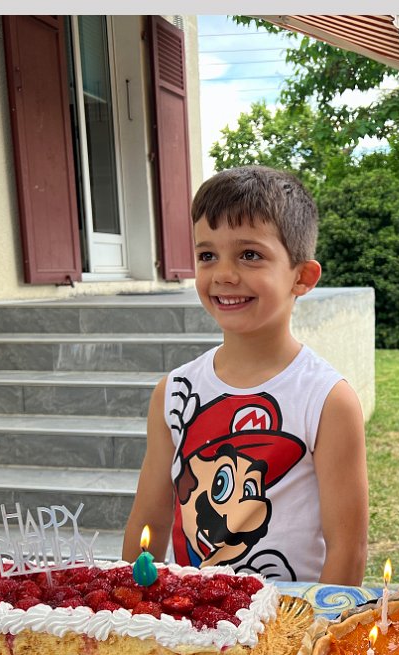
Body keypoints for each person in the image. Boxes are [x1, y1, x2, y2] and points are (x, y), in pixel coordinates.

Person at [122, 165, 369, 585]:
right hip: (190, 614)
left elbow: (348, 547)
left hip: (287, 616)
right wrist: (127, 606)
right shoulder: (174, 394)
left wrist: (320, 622)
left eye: (250, 255)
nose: (223, 274)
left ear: (302, 277)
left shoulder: (327, 400)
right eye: (207, 256)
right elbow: (150, 520)